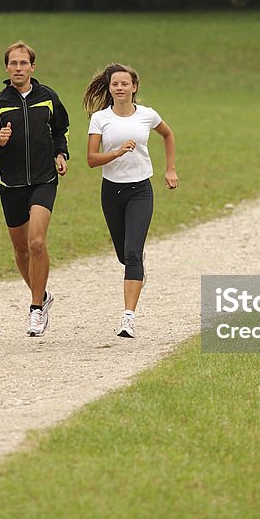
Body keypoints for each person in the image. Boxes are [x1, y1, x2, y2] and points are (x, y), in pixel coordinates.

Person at [0, 42, 70, 336]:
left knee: (36, 243)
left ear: (32, 67)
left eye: (23, 63)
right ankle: (43, 295)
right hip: (10, 184)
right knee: (21, 251)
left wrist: (61, 154)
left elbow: (60, 130)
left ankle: (36, 309)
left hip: (43, 179)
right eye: (13, 63)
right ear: (6, 68)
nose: (18, 68)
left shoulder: (48, 98)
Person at [84, 63, 177, 338]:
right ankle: (136, 266)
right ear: (109, 88)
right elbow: (91, 159)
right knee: (124, 255)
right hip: (112, 191)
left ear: (134, 87)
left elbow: (168, 135)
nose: (120, 88)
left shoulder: (147, 116)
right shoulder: (100, 118)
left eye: (125, 84)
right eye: (115, 84)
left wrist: (170, 168)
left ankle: (128, 318)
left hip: (140, 190)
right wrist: (116, 153)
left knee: (133, 253)